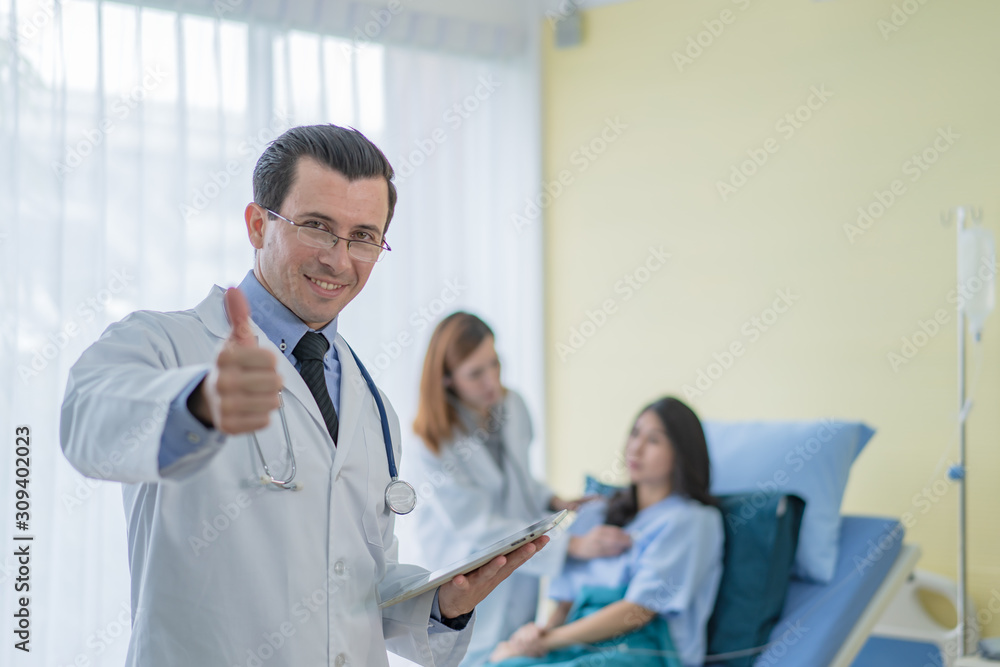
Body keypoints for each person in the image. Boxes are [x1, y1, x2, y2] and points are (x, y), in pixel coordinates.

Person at [59, 124, 547, 667]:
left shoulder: (372, 404)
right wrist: (198, 404)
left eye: (363, 236)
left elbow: (359, 581)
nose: (339, 260)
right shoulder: (166, 343)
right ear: (257, 223)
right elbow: (88, 427)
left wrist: (441, 606)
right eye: (316, 227)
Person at [404, 312, 629, 665]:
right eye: (476, 374)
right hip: (465, 574)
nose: (492, 381)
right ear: (447, 379)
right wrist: (573, 545)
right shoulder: (432, 442)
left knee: (513, 654)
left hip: (518, 574)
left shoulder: (513, 406)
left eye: (494, 364)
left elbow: (520, 480)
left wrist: (553, 499)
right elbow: (479, 527)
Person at [488, 397, 724, 667]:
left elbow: (639, 610)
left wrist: (547, 641)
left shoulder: (694, 520)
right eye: (635, 434)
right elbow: (565, 600)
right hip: (571, 643)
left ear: (681, 453)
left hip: (641, 649)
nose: (636, 448)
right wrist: (533, 639)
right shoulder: (597, 512)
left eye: (654, 440)